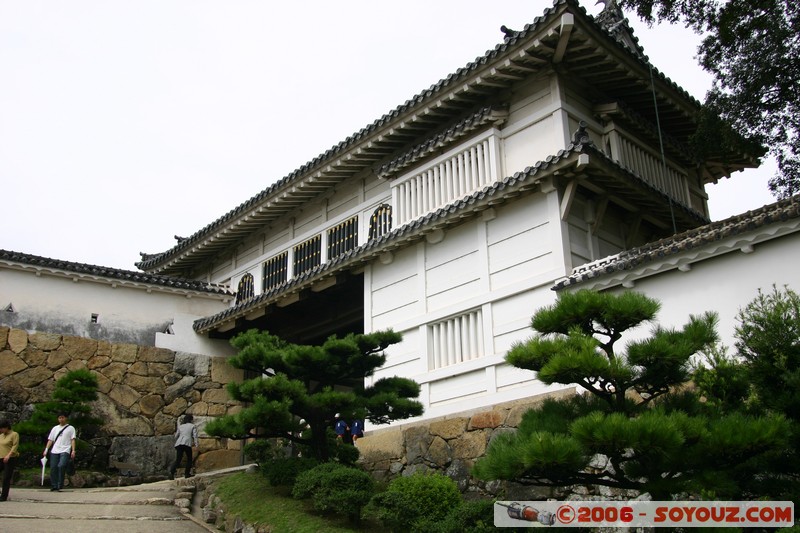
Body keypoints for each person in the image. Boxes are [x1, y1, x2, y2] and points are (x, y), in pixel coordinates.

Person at [43, 412, 76, 492]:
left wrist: (73, 450)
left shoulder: (71, 428)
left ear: (66, 418)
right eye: (59, 418)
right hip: (55, 450)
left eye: (62, 417)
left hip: (65, 449)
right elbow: (50, 440)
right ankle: (54, 485)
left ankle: (59, 484)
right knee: (53, 467)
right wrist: (46, 449)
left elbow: (73, 440)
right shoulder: (55, 428)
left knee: (61, 465)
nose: (61, 419)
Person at [169, 414, 198, 479]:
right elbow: (195, 436)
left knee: (178, 459)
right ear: (191, 420)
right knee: (189, 459)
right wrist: (196, 445)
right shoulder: (193, 426)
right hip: (187, 443)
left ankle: (171, 472)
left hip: (179, 443)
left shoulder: (181, 426)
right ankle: (187, 474)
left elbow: (176, 436)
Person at [0, 420, 19, 501]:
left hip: (10, 458)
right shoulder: (1, 436)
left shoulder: (14, 434)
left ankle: (4, 496)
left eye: (2, 428)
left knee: (6, 477)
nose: (1, 430)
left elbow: (15, 446)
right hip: (0, 457)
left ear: (6, 427)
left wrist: (9, 455)